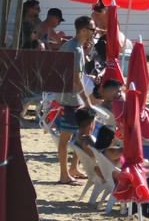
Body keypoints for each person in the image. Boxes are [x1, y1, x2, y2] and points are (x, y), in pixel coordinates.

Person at [56, 15, 95, 184]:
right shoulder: (76, 49)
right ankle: (64, 175)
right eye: (92, 29)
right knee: (65, 139)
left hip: (67, 97)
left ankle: (72, 168)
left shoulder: (69, 45)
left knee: (84, 131)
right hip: (70, 99)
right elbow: (76, 79)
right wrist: (87, 101)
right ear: (84, 30)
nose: (95, 32)